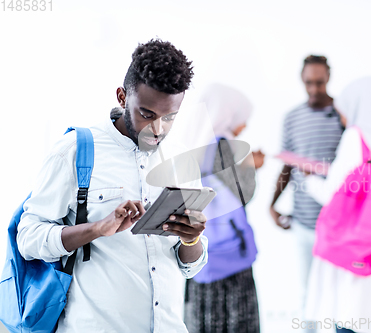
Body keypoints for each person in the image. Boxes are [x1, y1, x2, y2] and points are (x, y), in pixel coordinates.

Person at [16, 39, 209, 333]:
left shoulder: (182, 161)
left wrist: (191, 240)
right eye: (147, 114)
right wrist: (97, 229)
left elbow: (190, 268)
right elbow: (28, 238)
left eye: (170, 117)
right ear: (122, 96)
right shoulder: (75, 151)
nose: (158, 130)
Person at [303, 77, 371, 333]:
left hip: (351, 257)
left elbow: (331, 195)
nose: (343, 119)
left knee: (348, 321)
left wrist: (308, 179)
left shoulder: (356, 136)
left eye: (344, 112)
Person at [184, 83, 264, 333]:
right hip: (230, 253)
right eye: (241, 118)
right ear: (227, 114)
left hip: (200, 247)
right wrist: (250, 165)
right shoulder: (222, 145)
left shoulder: (193, 141)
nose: (244, 126)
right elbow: (243, 194)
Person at [269, 55, 344, 305]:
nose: (313, 89)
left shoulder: (343, 115)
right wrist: (272, 204)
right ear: (302, 79)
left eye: (319, 83)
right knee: (307, 294)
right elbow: (287, 166)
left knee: (338, 298)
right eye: (309, 83)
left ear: (328, 78)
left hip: (338, 224)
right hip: (303, 222)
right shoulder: (292, 118)